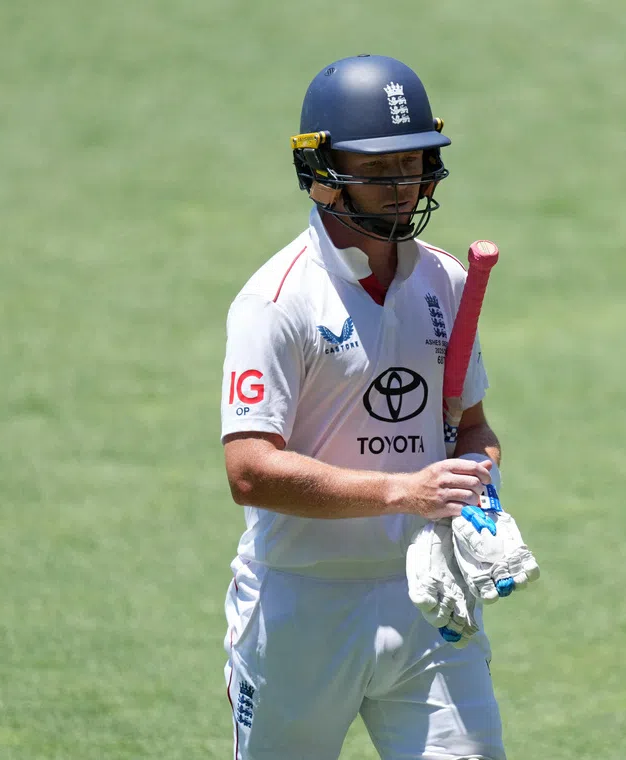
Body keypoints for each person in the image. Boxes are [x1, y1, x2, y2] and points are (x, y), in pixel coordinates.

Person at [219, 54, 507, 760]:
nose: (403, 187)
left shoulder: (445, 279)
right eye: (379, 171)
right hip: (300, 609)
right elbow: (250, 471)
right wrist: (403, 492)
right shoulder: (276, 300)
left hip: (429, 602)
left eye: (413, 165)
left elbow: (470, 427)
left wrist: (479, 493)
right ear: (320, 173)